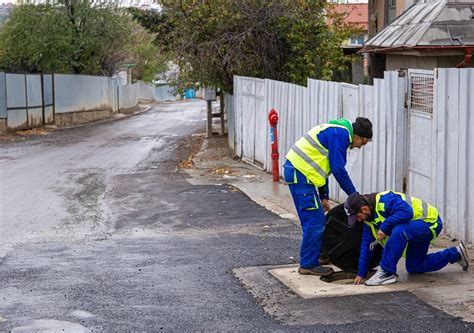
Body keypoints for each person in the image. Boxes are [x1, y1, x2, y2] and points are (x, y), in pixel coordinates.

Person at [284, 117, 373, 276]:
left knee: (313, 219)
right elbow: (338, 169)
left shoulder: (336, 131)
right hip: (301, 175)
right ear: (357, 135)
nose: (360, 147)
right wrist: (354, 196)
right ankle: (308, 264)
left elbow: (321, 168)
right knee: (315, 221)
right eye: (363, 142)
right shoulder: (342, 135)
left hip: (301, 174)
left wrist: (324, 197)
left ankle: (317, 255)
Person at [344, 191, 470, 286]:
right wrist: (361, 273)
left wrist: (384, 226)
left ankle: (387, 272)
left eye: (358, 217)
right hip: (414, 231)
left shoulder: (385, 200)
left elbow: (406, 212)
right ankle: (456, 253)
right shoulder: (369, 220)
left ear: (364, 209)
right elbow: (367, 245)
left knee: (399, 231)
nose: (359, 220)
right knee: (414, 267)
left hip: (430, 223)